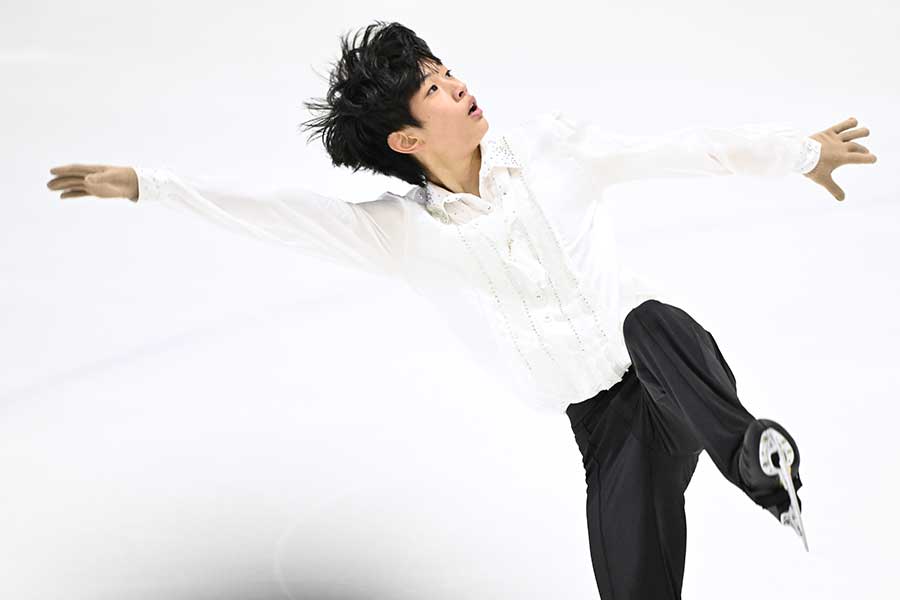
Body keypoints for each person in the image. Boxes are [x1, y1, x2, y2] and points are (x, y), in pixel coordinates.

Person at [46, 20, 877, 600]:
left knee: (650, 322)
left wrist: (800, 153)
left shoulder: (554, 149)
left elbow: (684, 150)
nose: (458, 86)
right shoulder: (404, 235)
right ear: (406, 140)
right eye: (435, 89)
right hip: (606, 431)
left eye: (448, 72)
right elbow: (284, 215)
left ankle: (758, 464)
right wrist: (151, 185)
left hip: (672, 377)